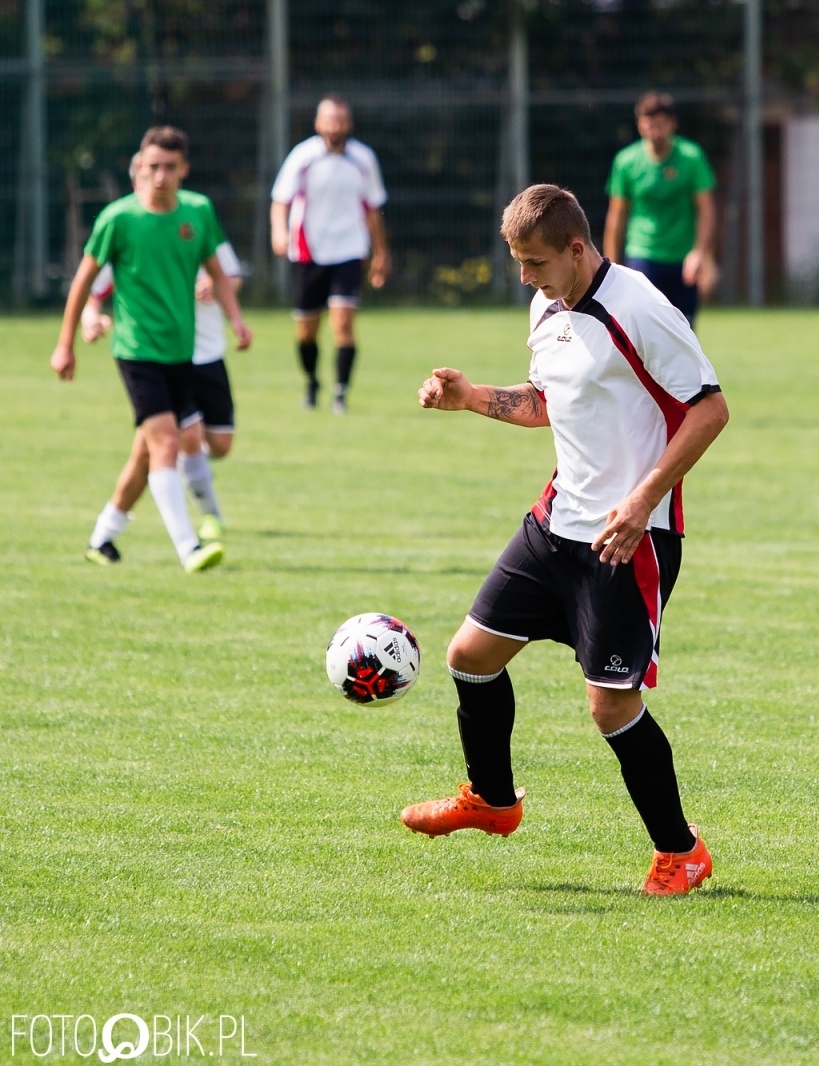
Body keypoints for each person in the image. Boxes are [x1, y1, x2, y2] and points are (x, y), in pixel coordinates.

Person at [403, 185, 730, 896]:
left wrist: (643, 501)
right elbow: (549, 402)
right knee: (470, 656)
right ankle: (493, 800)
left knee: (610, 706)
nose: (525, 276)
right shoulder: (546, 307)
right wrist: (470, 398)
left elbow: (709, 409)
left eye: (535, 262)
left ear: (578, 249)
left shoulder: (639, 308)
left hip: (625, 540)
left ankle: (682, 852)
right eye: (518, 262)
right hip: (556, 524)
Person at [50, 126, 252, 573]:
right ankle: (189, 547)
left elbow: (217, 271)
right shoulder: (118, 219)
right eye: (152, 166)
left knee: (146, 452)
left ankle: (103, 536)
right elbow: (84, 282)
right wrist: (66, 344)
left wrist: (236, 319)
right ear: (140, 166)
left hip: (181, 353)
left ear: (184, 170)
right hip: (137, 351)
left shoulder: (198, 212)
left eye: (169, 168)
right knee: (166, 443)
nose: (159, 175)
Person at [270, 94, 389, 414]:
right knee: (306, 331)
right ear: (318, 123)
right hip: (309, 253)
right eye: (329, 120)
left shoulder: (363, 159)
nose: (335, 126)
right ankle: (311, 381)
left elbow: (373, 209)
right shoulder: (303, 156)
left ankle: (340, 393)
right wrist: (279, 232)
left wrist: (380, 253)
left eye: (340, 120)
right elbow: (280, 199)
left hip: (349, 250)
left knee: (343, 325)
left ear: (348, 124)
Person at [603, 91, 718, 327]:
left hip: (682, 258)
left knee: (684, 328)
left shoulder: (691, 158)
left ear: (672, 125)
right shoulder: (626, 161)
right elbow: (617, 216)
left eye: (660, 126)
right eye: (648, 126)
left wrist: (700, 254)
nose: (654, 133)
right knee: (645, 328)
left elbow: (706, 210)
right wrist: (610, 267)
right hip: (642, 254)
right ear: (639, 126)